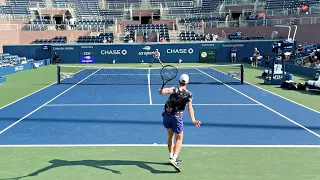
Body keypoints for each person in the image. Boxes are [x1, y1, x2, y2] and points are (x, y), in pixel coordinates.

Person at [158, 74, 201, 171]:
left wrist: (161, 91)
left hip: (167, 117)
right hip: (177, 119)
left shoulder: (175, 89)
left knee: (170, 137)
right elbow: (190, 107)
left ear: (179, 81)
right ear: (187, 83)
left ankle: (171, 156)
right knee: (179, 139)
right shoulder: (189, 94)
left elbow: (164, 92)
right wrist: (193, 120)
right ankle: (174, 158)